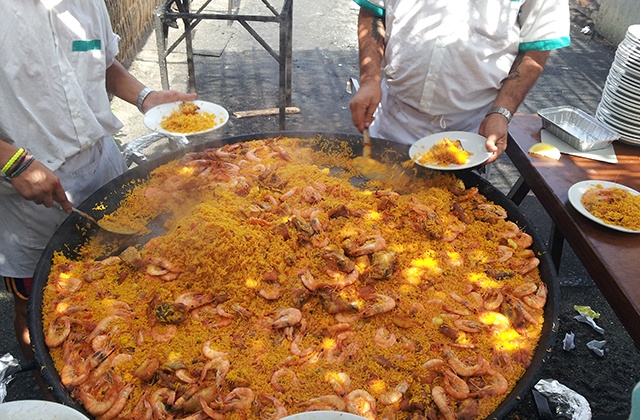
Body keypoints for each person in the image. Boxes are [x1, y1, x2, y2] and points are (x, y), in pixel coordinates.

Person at [0, 0, 196, 366]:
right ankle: (42, 385)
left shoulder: (88, 4)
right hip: (28, 199)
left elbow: (103, 64)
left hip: (105, 168)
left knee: (131, 276)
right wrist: (11, 162)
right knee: (36, 308)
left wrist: (145, 97)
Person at [349, 0, 571, 164]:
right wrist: (370, 80)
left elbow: (535, 49)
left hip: (467, 135)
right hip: (393, 119)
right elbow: (373, 11)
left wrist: (501, 113)